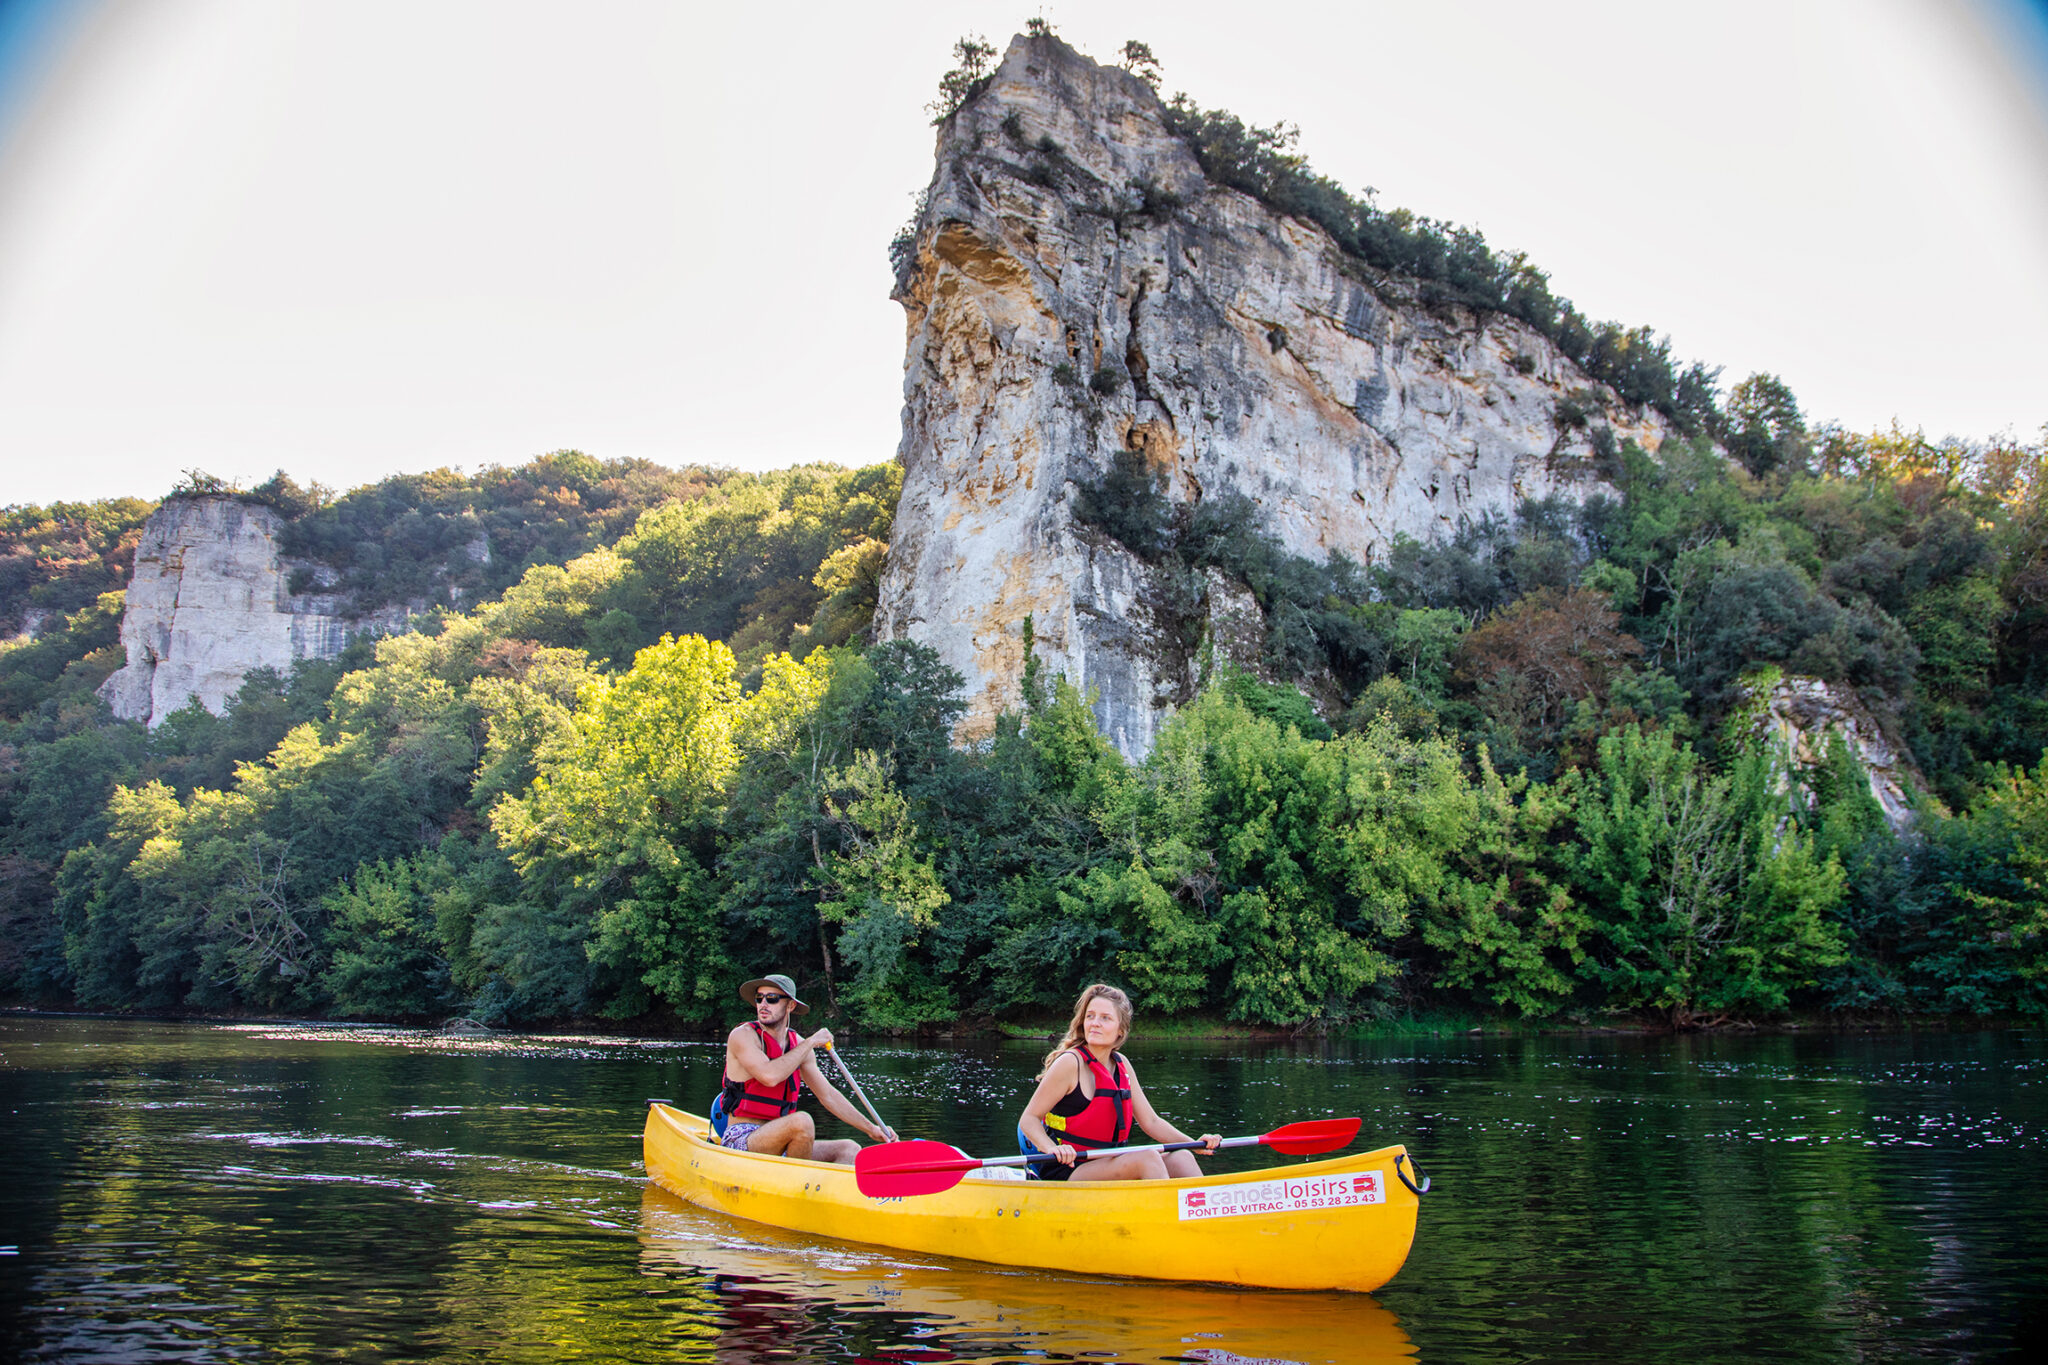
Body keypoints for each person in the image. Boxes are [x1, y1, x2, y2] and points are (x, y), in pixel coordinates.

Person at [1018, 983, 1220, 1181]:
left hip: (1108, 1162)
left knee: (1182, 1157)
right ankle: (1162, 1211)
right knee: (1147, 1159)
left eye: (1105, 1018)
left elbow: (1151, 1122)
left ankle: (1207, 1213)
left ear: (1120, 1030)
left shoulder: (1122, 1065)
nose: (1095, 1023)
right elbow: (1029, 1119)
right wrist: (1052, 1148)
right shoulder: (1070, 1063)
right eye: (1090, 1016)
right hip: (1069, 1169)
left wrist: (1194, 1144)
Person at [716, 973, 895, 1163]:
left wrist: (871, 1128)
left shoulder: (799, 1045)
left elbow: (828, 1095)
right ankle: (796, 1186)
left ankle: (824, 1190)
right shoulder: (742, 1036)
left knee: (850, 1149)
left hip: (782, 1145)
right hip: (741, 1140)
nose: (763, 1004)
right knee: (802, 1122)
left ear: (790, 1005)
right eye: (759, 998)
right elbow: (769, 1076)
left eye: (772, 999)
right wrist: (811, 1042)